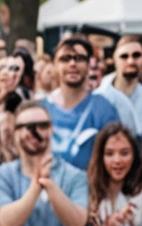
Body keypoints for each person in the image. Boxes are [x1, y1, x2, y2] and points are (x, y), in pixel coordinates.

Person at [45, 36, 123, 170]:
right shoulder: (41, 108)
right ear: (55, 65)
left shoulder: (103, 109)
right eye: (65, 59)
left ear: (89, 65)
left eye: (80, 58)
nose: (72, 64)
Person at [101, 37, 142, 136]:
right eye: (124, 56)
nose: (130, 61)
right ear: (115, 59)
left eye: (136, 55)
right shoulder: (101, 96)